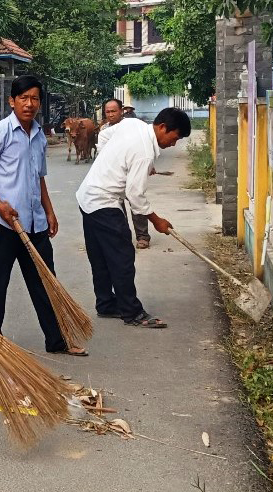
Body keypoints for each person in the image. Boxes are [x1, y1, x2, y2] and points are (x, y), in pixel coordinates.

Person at [0, 75, 87, 356]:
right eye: (23, 98)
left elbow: (39, 178)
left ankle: (57, 340)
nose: (29, 103)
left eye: (34, 98)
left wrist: (49, 211)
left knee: (46, 280)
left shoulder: (39, 136)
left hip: (34, 222)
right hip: (3, 224)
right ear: (12, 101)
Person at [76, 107, 191, 329]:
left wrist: (116, 161)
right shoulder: (144, 152)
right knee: (123, 258)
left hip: (86, 196)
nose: (173, 144)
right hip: (104, 203)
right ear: (162, 127)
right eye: (174, 138)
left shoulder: (133, 124)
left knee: (99, 256)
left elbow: (104, 136)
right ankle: (132, 312)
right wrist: (157, 220)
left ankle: (106, 304)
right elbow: (135, 196)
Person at [101, 98, 152, 250]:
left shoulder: (130, 126)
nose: (110, 115)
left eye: (113, 111)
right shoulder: (104, 130)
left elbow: (144, 146)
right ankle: (122, 236)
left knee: (136, 201)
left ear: (121, 111)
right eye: (107, 112)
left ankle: (142, 236)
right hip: (114, 175)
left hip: (132, 172)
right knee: (116, 207)